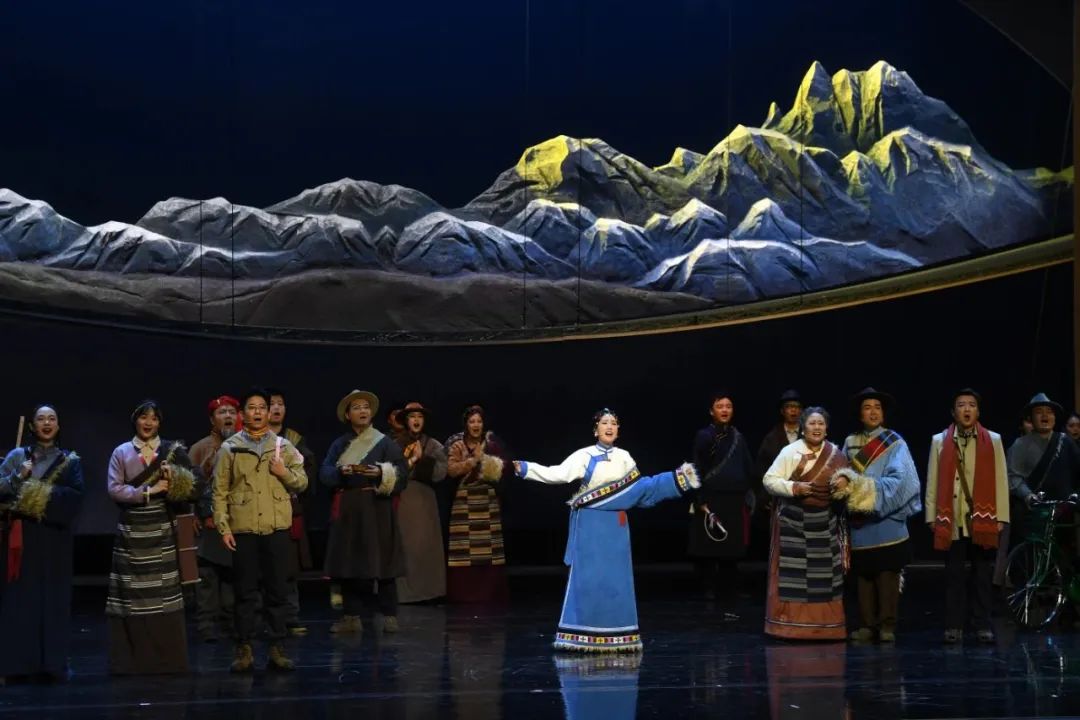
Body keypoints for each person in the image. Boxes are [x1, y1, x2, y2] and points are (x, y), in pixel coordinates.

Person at [515, 409, 700, 652]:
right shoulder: (584, 455)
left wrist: (673, 481)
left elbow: (638, 492)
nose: (609, 426)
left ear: (618, 430)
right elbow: (557, 474)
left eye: (613, 423)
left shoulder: (624, 457)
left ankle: (619, 633)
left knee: (616, 579)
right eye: (604, 423)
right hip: (590, 525)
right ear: (596, 429)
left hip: (615, 527)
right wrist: (527, 469)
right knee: (589, 578)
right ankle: (580, 632)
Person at [213, 388, 308, 672]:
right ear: (242, 414)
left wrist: (284, 473)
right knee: (245, 593)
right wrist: (223, 527)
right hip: (243, 529)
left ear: (268, 412)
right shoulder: (230, 448)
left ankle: (277, 646)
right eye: (251, 407)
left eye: (262, 407)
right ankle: (244, 648)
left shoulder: (283, 446)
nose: (257, 412)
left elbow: (302, 481)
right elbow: (219, 491)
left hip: (275, 528)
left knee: (277, 590)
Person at [105, 400, 202, 674]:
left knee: (163, 595)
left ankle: (166, 659)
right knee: (132, 596)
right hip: (132, 533)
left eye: (154, 418)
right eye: (143, 417)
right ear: (135, 420)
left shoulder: (173, 451)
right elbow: (114, 489)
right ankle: (131, 660)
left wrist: (175, 479)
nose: (148, 423)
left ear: (160, 423)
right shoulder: (121, 452)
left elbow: (196, 487)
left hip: (163, 530)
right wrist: (148, 491)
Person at [0, 405, 84, 682]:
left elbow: (74, 499)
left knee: (52, 599)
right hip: (21, 538)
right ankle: (16, 665)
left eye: (52, 419)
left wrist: (33, 494)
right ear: (32, 426)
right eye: (41, 419)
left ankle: (52, 664)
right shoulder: (17, 456)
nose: (46, 423)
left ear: (58, 426)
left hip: (54, 539)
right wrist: (17, 477)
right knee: (20, 600)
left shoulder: (69, 461)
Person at [832, 388, 921, 643]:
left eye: (877, 407)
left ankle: (887, 625)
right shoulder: (850, 442)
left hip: (887, 523)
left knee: (887, 578)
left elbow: (903, 482)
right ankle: (866, 625)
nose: (873, 412)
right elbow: (842, 474)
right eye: (867, 407)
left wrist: (865, 491)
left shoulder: (895, 442)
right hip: (861, 525)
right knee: (863, 578)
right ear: (860, 415)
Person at [925, 388, 1009, 644]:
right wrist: (931, 516)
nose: (967, 409)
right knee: (954, 576)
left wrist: (1001, 517)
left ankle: (982, 624)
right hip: (952, 518)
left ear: (978, 411)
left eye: (971, 404)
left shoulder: (993, 440)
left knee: (982, 574)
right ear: (954, 412)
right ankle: (954, 625)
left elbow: (1001, 480)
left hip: (983, 518)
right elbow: (932, 480)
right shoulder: (939, 441)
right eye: (961, 405)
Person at [321, 390, 408, 633]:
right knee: (350, 563)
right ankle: (351, 616)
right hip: (350, 509)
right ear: (347, 415)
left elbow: (402, 474)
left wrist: (381, 472)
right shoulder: (340, 444)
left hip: (377, 508)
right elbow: (325, 473)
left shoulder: (384, 442)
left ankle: (389, 615)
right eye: (357, 407)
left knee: (384, 563)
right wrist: (340, 472)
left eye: (366, 407)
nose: (363, 411)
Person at [762, 406, 848, 640]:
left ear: (826, 429)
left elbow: (849, 482)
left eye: (821, 423)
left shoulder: (836, 454)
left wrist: (845, 482)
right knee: (793, 577)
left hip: (824, 526)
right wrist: (794, 487)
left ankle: (826, 628)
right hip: (793, 524)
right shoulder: (790, 451)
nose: (816, 428)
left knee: (825, 579)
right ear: (803, 428)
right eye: (812, 423)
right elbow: (769, 480)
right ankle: (789, 627)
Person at [687, 391, 754, 599]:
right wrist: (700, 498)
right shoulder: (704, 436)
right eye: (720, 406)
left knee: (731, 547)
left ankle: (730, 588)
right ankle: (708, 588)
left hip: (734, 499)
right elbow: (697, 468)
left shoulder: (738, 437)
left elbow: (747, 467)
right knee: (709, 546)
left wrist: (749, 492)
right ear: (711, 411)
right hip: (711, 499)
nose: (725, 410)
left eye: (728, 406)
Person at [445, 405, 511, 603]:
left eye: (479, 421)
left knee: (489, 550)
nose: (475, 425)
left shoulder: (492, 444)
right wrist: (473, 461)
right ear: (466, 424)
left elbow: (504, 468)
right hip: (464, 503)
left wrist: (488, 462)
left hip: (487, 502)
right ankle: (464, 595)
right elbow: (451, 470)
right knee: (464, 550)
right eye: (472, 421)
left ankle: (489, 594)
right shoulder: (457, 445)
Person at [266, 388, 317, 637]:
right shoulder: (254, 439)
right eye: (271, 404)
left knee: (288, 567)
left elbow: (307, 474)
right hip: (261, 509)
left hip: (287, 507)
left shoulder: (295, 440)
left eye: (280, 404)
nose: (276, 408)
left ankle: (290, 616)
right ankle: (263, 619)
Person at [190, 394, 240, 643]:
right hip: (208, 522)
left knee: (232, 577)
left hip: (236, 522)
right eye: (222, 413)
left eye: (232, 412)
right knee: (207, 578)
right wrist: (193, 513)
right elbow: (189, 485)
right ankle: (207, 625)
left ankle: (231, 624)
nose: (227, 416)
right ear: (212, 419)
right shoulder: (200, 448)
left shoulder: (243, 445)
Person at [394, 402, 449, 603]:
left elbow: (441, 472)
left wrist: (421, 460)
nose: (416, 420)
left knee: (425, 545)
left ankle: (429, 591)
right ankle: (404, 593)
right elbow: (390, 471)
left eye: (420, 417)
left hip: (424, 499)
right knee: (405, 546)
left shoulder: (433, 445)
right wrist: (410, 461)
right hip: (403, 500)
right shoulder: (395, 444)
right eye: (412, 417)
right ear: (406, 421)